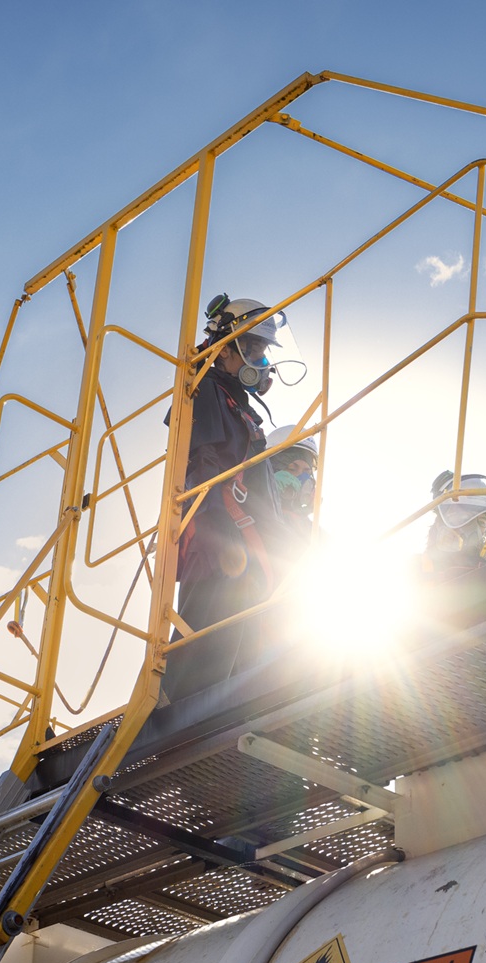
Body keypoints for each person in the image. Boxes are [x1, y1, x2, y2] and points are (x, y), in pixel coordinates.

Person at [161, 294, 307, 702]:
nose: (262, 362)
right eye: (255, 349)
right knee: (208, 644)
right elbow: (203, 466)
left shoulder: (240, 406)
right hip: (219, 541)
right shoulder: (203, 389)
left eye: (263, 351)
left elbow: (260, 496)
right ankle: (176, 707)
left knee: (242, 649)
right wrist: (220, 537)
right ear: (225, 348)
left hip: (244, 539)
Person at [423, 470, 486, 575]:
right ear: (440, 522)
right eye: (464, 517)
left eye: (481, 521)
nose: (473, 528)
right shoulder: (419, 567)